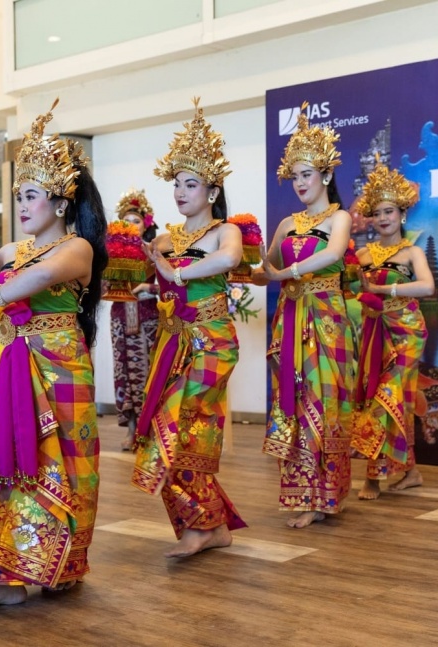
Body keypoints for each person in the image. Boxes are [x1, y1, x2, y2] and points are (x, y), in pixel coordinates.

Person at [0, 99, 108, 613]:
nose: (21, 204)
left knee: (64, 465)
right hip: (12, 366)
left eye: (32, 195)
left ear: (60, 203)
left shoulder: (78, 248)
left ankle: (58, 566)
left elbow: (38, 279)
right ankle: (3, 580)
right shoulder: (12, 250)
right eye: (19, 195)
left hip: (60, 369)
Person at [131, 98, 247, 557]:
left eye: (191, 184)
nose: (180, 193)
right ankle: (205, 526)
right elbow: (159, 283)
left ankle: (206, 526)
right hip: (174, 342)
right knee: (192, 432)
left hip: (214, 341)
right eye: (177, 184)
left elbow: (229, 261)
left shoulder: (225, 231)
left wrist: (176, 273)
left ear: (212, 191)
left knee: (173, 422)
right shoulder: (164, 239)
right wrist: (151, 287)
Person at [255, 103, 355, 528]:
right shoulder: (285, 224)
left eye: (306, 174)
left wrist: (286, 272)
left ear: (326, 176)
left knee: (324, 400)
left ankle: (324, 495)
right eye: (294, 175)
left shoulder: (340, 218)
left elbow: (333, 255)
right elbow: (264, 272)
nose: (299, 183)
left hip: (326, 319)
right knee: (292, 401)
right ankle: (300, 492)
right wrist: (246, 263)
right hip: (291, 318)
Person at [349, 161, 434, 500]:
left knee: (389, 395)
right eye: (377, 213)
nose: (383, 218)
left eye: (390, 211)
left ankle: (374, 478)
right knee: (380, 397)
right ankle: (407, 471)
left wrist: (388, 292)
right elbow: (353, 289)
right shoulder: (364, 254)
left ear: (402, 214)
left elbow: (427, 288)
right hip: (374, 331)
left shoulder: (411, 252)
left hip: (407, 331)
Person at [109, 188, 160, 450]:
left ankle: (149, 430)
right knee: (124, 372)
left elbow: (170, 283)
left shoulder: (154, 250)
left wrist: (146, 289)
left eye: (136, 221)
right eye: (125, 222)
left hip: (148, 317)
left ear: (145, 224)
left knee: (148, 372)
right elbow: (103, 287)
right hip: (120, 317)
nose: (131, 226)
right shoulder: (112, 253)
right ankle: (130, 429)